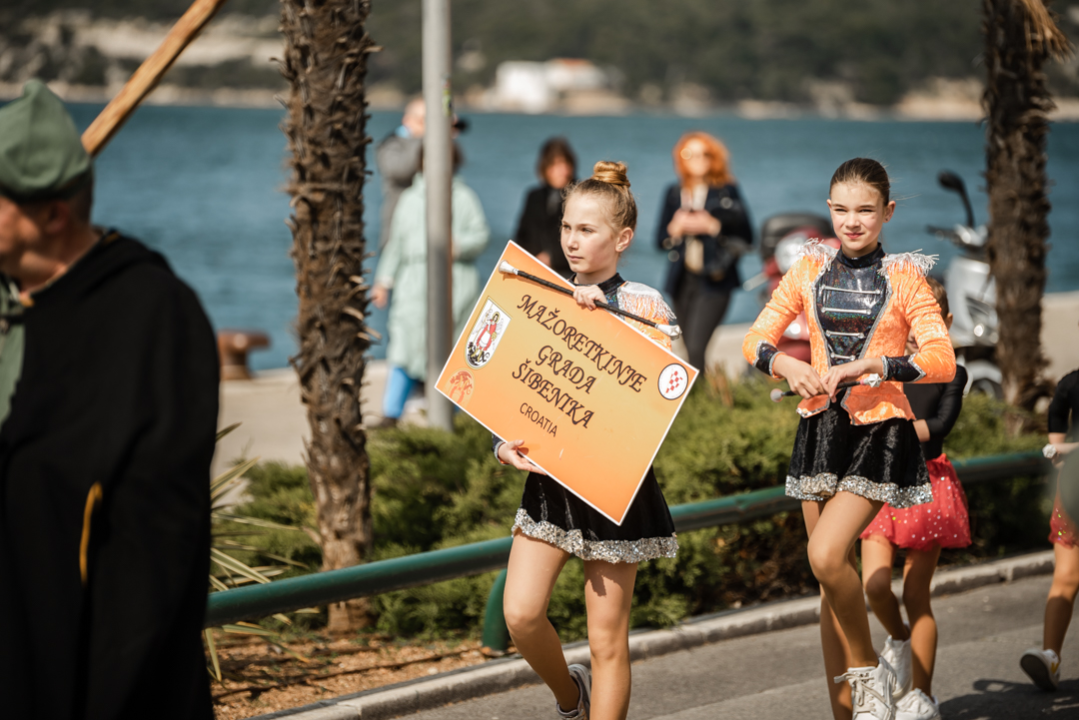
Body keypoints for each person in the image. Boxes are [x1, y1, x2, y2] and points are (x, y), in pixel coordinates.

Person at [0, 81, 219, 719]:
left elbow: (153, 542)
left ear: (52, 216)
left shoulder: (152, 316)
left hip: (97, 678)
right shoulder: (14, 305)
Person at [742, 158, 956, 720]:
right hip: (819, 430)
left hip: (878, 432)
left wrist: (874, 366)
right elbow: (755, 339)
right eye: (840, 210)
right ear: (829, 209)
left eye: (865, 210)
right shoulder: (809, 268)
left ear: (887, 212)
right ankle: (849, 712)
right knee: (827, 584)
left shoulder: (905, 277)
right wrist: (787, 367)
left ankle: (869, 674)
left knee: (825, 553)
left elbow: (941, 359)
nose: (852, 221)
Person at [495, 161, 679, 720]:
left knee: (607, 639)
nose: (572, 241)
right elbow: (515, 384)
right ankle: (571, 699)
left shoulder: (645, 303)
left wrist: (613, 320)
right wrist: (502, 445)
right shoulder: (541, 292)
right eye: (567, 227)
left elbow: (673, 384)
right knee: (520, 614)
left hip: (613, 483)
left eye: (587, 230)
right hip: (549, 478)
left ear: (622, 239)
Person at [859, 278, 969, 720]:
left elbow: (941, 424)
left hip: (928, 485)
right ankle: (900, 640)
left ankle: (922, 695)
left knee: (916, 593)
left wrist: (898, 431)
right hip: (881, 484)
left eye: (927, 320)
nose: (915, 330)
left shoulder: (952, 372)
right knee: (873, 585)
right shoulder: (886, 365)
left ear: (946, 322)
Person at [371, 143, 489, 426]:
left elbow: (481, 235)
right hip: (413, 282)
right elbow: (396, 244)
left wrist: (459, 246)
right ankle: (392, 412)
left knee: (453, 350)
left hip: (455, 281)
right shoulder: (409, 198)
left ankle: (457, 416)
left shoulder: (463, 197)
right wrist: (383, 281)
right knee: (404, 343)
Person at [657, 131, 753, 372]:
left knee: (696, 347)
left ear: (714, 158)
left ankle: (696, 393)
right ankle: (700, 392)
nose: (697, 159)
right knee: (687, 347)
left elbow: (748, 237)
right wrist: (674, 229)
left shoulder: (726, 190)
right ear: (680, 158)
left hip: (715, 279)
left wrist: (713, 226)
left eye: (704, 154)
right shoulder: (674, 192)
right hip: (682, 280)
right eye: (689, 154)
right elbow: (659, 240)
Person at [1021, 329, 1079, 692]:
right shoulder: (1071, 383)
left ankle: (1051, 655)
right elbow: (1057, 414)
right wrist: (1060, 454)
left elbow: (1057, 417)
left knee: (1066, 577)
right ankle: (1050, 656)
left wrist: (1063, 451)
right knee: (1065, 576)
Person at [513, 137, 577, 277]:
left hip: (569, 274)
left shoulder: (580, 196)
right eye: (556, 165)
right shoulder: (533, 196)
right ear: (545, 167)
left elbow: (585, 241)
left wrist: (552, 258)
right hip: (534, 270)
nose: (563, 171)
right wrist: (534, 259)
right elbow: (521, 237)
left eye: (566, 164)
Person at [375, 97, 425, 249]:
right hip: (398, 226)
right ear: (407, 120)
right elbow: (400, 170)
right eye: (423, 120)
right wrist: (426, 140)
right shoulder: (391, 144)